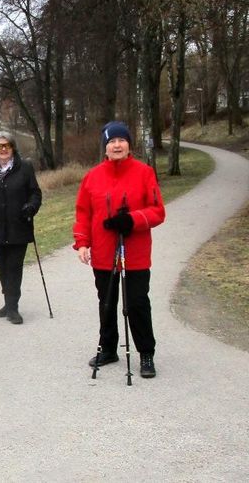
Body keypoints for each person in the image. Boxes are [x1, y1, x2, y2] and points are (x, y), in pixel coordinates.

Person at [73, 121, 166, 378]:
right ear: (105, 148)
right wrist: (82, 242)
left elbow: (158, 211)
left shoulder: (144, 173)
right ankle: (109, 348)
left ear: (129, 145)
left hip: (134, 253)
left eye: (121, 140)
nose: (116, 145)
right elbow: (83, 212)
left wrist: (132, 220)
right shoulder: (92, 177)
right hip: (103, 254)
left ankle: (146, 353)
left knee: (136, 303)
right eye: (111, 141)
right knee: (107, 303)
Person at [0, 131, 42, 324]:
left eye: (7, 145)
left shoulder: (25, 168)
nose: (3, 149)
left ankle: (13, 307)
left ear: (13, 148)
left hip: (18, 225)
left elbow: (35, 194)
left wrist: (31, 207)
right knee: (2, 267)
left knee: (14, 267)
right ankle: (7, 302)